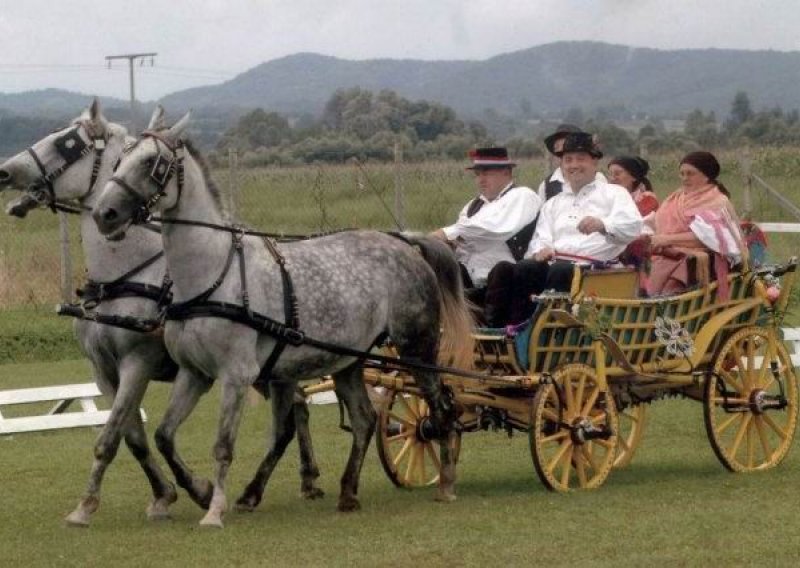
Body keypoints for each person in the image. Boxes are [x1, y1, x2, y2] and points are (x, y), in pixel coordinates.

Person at [508, 132, 643, 323]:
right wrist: (541, 250)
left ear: (594, 163)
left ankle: (552, 331)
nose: (574, 165)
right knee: (522, 268)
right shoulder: (554, 203)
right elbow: (541, 236)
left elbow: (633, 226)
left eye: (581, 159)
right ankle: (516, 329)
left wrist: (603, 225)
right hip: (557, 266)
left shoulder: (614, 193)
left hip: (594, 271)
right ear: (562, 165)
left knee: (561, 270)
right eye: (568, 160)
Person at [432, 147, 541, 327]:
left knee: (501, 270)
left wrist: (446, 233)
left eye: (487, 173)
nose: (481, 179)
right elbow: (465, 243)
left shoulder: (522, 196)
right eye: (478, 174)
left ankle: (492, 331)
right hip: (473, 283)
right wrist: (450, 246)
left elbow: (492, 228)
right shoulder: (472, 206)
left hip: (508, 283)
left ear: (506, 172)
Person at [645, 151, 743, 298]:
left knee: (672, 284)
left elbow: (712, 238)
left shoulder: (717, 201)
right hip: (667, 255)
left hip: (700, 262)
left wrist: (667, 240)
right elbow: (658, 224)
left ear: (707, 175)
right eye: (682, 174)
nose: (685, 178)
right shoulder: (675, 198)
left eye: (691, 174)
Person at [607, 156, 659, 269]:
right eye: (610, 174)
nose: (612, 178)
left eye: (617, 173)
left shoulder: (647, 199)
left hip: (637, 247)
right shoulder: (607, 198)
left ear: (633, 176)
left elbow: (638, 228)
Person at [537, 123, 607, 202]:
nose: (560, 151)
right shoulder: (546, 186)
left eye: (565, 146)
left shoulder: (597, 178)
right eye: (556, 147)